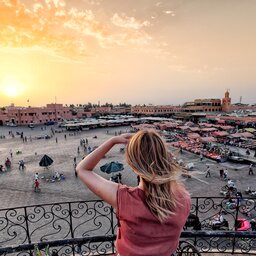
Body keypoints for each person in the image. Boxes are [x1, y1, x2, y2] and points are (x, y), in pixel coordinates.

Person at [76, 130, 191, 256]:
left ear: (132, 164)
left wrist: (113, 141)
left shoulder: (125, 199)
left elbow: (82, 169)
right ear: (164, 158)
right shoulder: (183, 198)